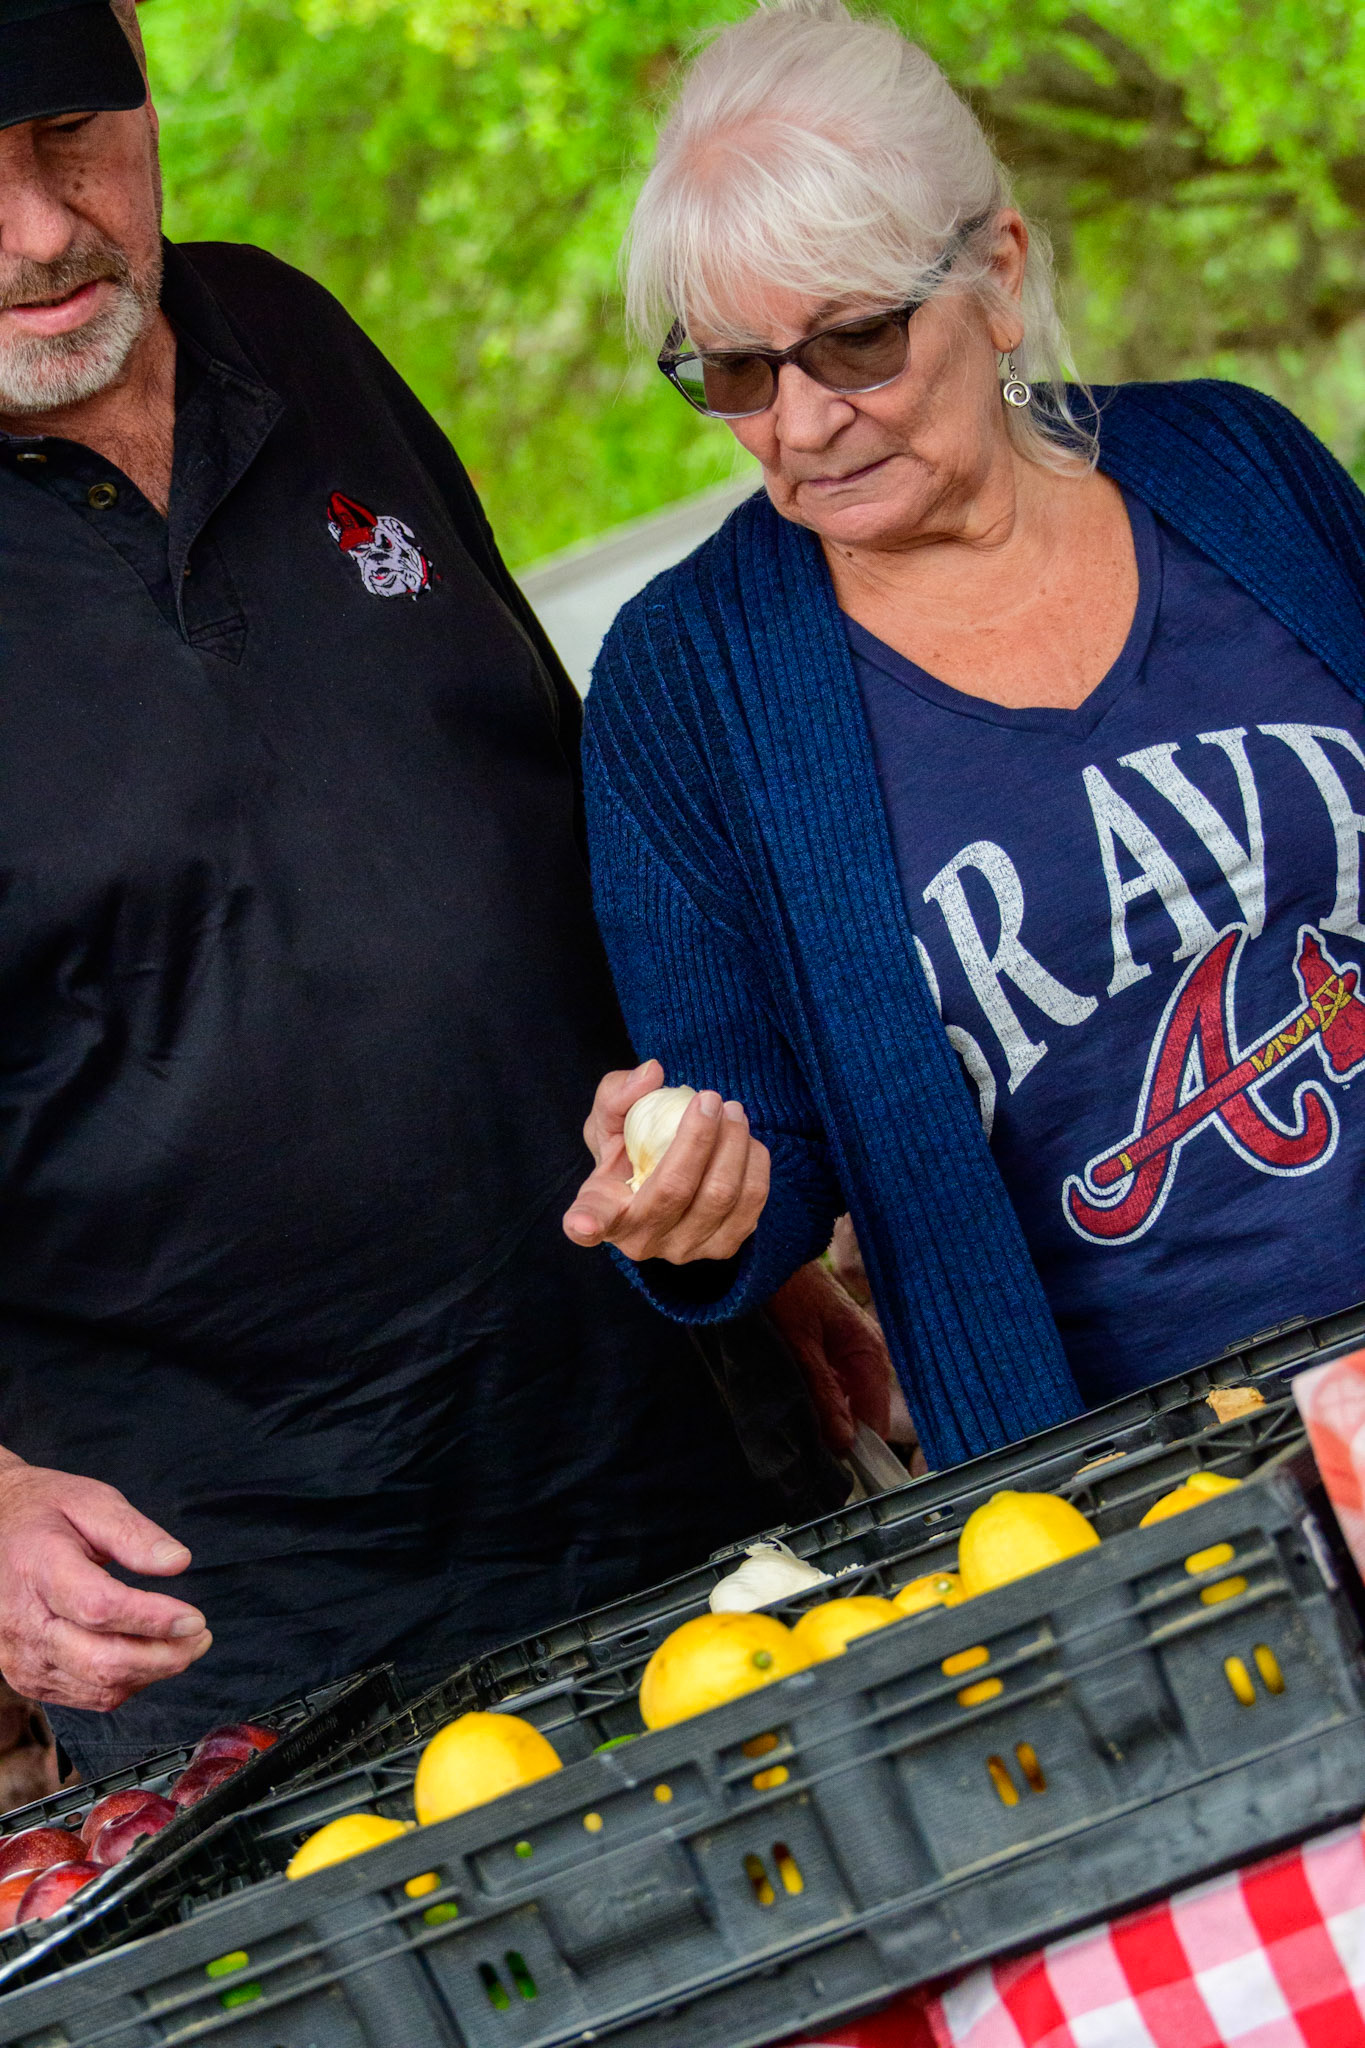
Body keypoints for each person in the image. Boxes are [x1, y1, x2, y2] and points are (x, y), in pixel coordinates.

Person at [0, 0, 885, 1776]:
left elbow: (538, 804)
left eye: (69, 137)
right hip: (256, 1608)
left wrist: (744, 1221)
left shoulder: (285, 331)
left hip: (666, 1433)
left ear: (147, 83)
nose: (38, 227)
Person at [564, 0, 1365, 1473]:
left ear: (995, 274)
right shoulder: (684, 688)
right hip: (1140, 1489)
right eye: (736, 372)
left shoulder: (1236, 463)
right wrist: (697, 1201)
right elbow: (757, 1139)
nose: (801, 423)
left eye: (855, 341)